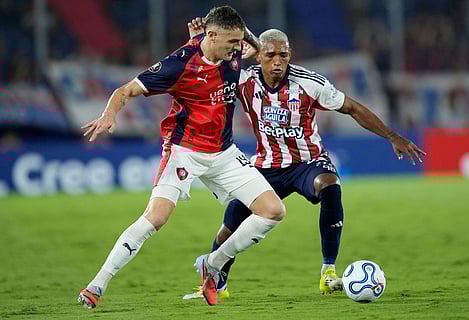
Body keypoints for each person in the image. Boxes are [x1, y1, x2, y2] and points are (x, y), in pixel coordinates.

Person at [184, 22, 426, 299]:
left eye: (283, 56)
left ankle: (328, 270)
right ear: (258, 55)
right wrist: (196, 42)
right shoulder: (243, 80)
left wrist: (393, 135)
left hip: (307, 163)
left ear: (291, 55)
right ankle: (217, 281)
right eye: (271, 55)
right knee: (232, 222)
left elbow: (353, 108)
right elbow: (203, 72)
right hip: (265, 166)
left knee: (330, 185)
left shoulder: (311, 83)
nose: (278, 62)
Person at [78, 6, 287, 308]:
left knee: (273, 211)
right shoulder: (178, 64)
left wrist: (241, 34)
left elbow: (255, 48)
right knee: (157, 217)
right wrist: (109, 114)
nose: (235, 50)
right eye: (230, 43)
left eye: (237, 42)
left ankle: (212, 264)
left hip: (224, 152)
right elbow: (125, 90)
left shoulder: (233, 49)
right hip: (184, 151)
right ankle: (97, 284)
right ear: (211, 36)